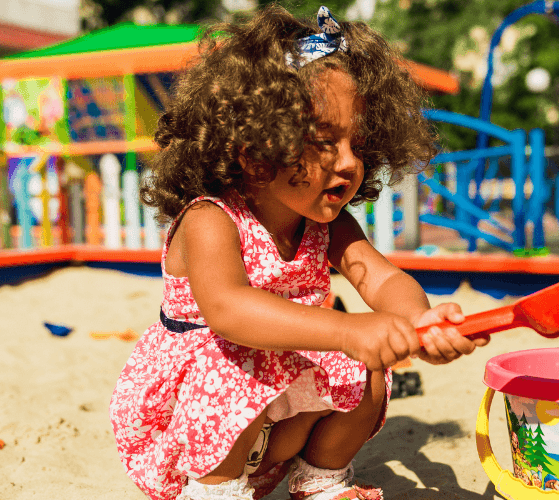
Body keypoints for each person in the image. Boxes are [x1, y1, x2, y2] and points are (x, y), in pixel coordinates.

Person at [108, 6, 489, 500]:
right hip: (200, 429)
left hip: (275, 427)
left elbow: (380, 278)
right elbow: (228, 312)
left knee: (369, 373)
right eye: (324, 142)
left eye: (359, 144)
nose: (349, 162)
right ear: (254, 148)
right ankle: (215, 492)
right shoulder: (210, 220)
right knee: (238, 368)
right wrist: (350, 329)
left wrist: (420, 324)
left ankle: (321, 479)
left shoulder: (324, 224)